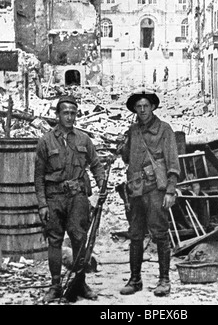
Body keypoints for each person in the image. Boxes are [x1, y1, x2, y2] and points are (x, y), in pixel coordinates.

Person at [34, 94, 106, 303]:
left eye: (73, 113)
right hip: (54, 197)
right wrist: (42, 205)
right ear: (57, 115)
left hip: (77, 198)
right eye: (65, 113)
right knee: (55, 241)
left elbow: (96, 164)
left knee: (79, 239)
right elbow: (38, 177)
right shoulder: (45, 141)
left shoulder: (84, 139)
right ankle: (55, 285)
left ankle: (80, 283)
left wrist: (102, 183)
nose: (69, 117)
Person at [119, 89, 180, 297]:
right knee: (135, 235)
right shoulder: (133, 130)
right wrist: (124, 145)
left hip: (156, 189)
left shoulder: (165, 129)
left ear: (153, 107)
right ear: (134, 109)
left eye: (146, 106)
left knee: (160, 235)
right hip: (136, 190)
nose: (142, 110)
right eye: (139, 106)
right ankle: (135, 280)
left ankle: (164, 280)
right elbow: (127, 159)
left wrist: (171, 190)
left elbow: (173, 162)